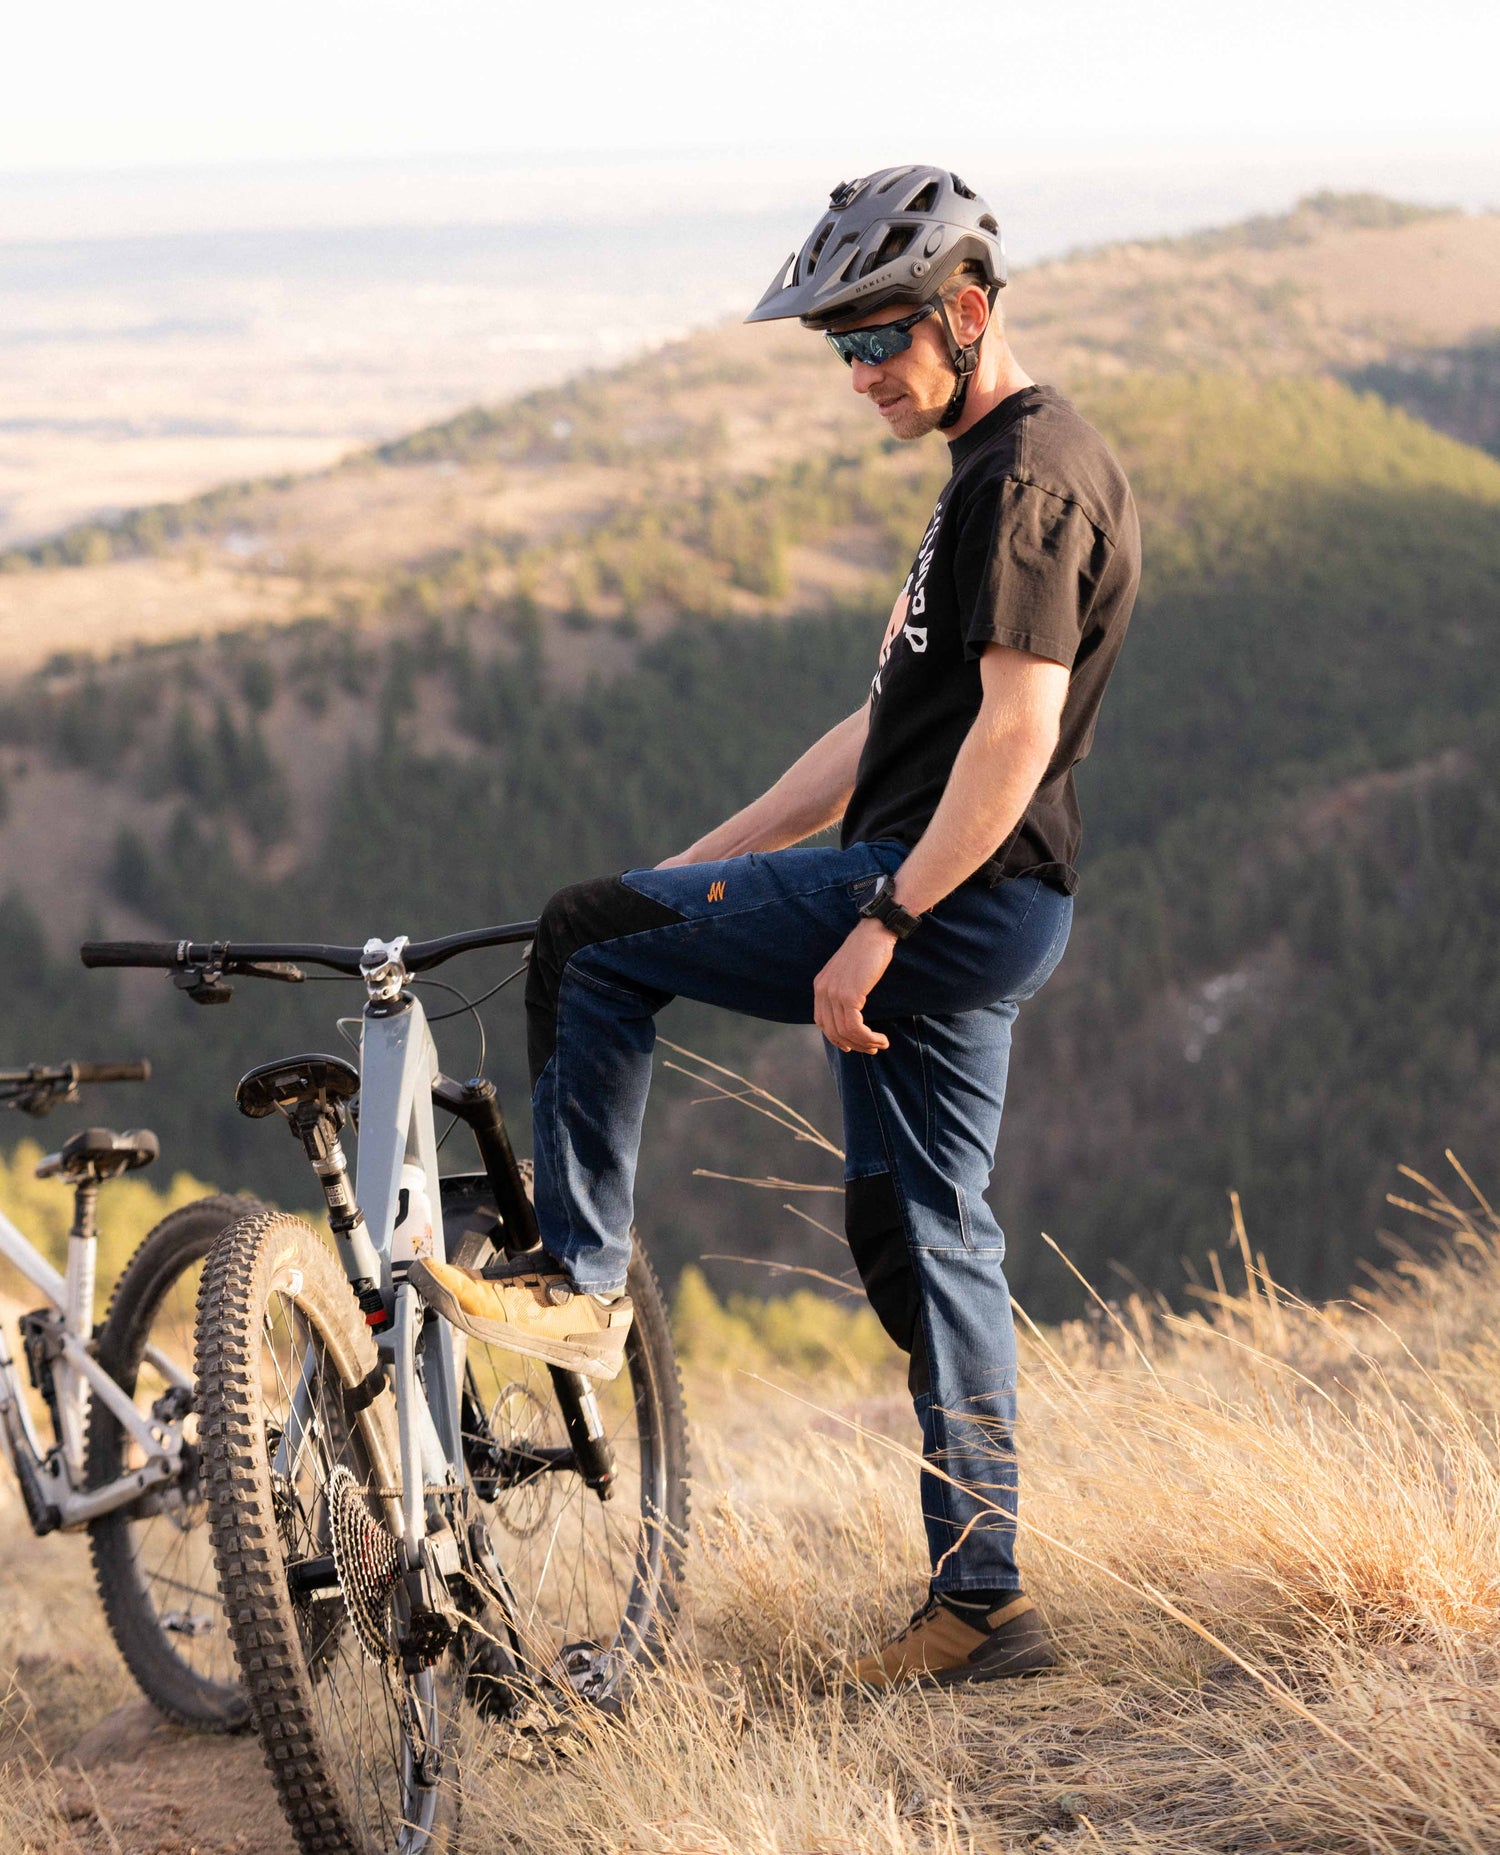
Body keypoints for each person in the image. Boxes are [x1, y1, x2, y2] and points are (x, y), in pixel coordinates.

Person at [412, 165, 1141, 1687]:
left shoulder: (1027, 484)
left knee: (591, 943)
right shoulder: (992, 471)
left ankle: (582, 1278)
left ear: (971, 310)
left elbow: (1014, 738)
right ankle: (985, 1602)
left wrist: (881, 916)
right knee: (923, 1235)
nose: (862, 375)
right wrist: (700, 865)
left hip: (947, 900)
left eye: (882, 340)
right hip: (982, 905)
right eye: (842, 350)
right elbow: (883, 728)